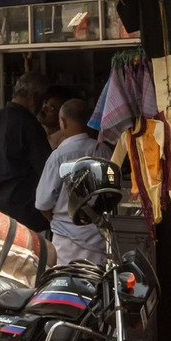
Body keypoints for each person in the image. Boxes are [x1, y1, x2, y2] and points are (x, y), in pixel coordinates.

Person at [35, 99, 106, 267]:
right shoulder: (103, 150)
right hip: (99, 237)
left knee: (66, 288)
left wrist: (59, 219)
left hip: (66, 239)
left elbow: (43, 203)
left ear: (63, 122)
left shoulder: (58, 156)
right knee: (97, 286)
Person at [0, 71, 52, 231]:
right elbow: (46, 169)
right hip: (26, 213)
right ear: (34, 98)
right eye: (42, 100)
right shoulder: (29, 124)